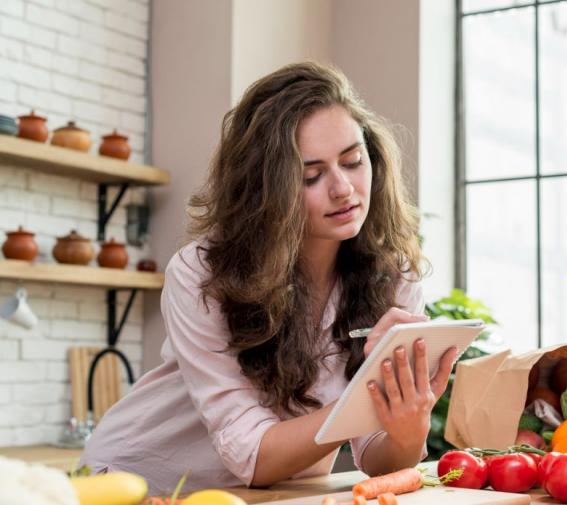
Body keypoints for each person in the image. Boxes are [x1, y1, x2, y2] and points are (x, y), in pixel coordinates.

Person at [79, 62, 457, 494]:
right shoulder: (201, 273)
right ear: (266, 188)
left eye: (353, 161)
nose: (343, 189)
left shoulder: (393, 275)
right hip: (144, 482)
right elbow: (252, 455)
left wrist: (407, 421)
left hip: (278, 494)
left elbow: (378, 458)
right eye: (310, 175)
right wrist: (367, 397)